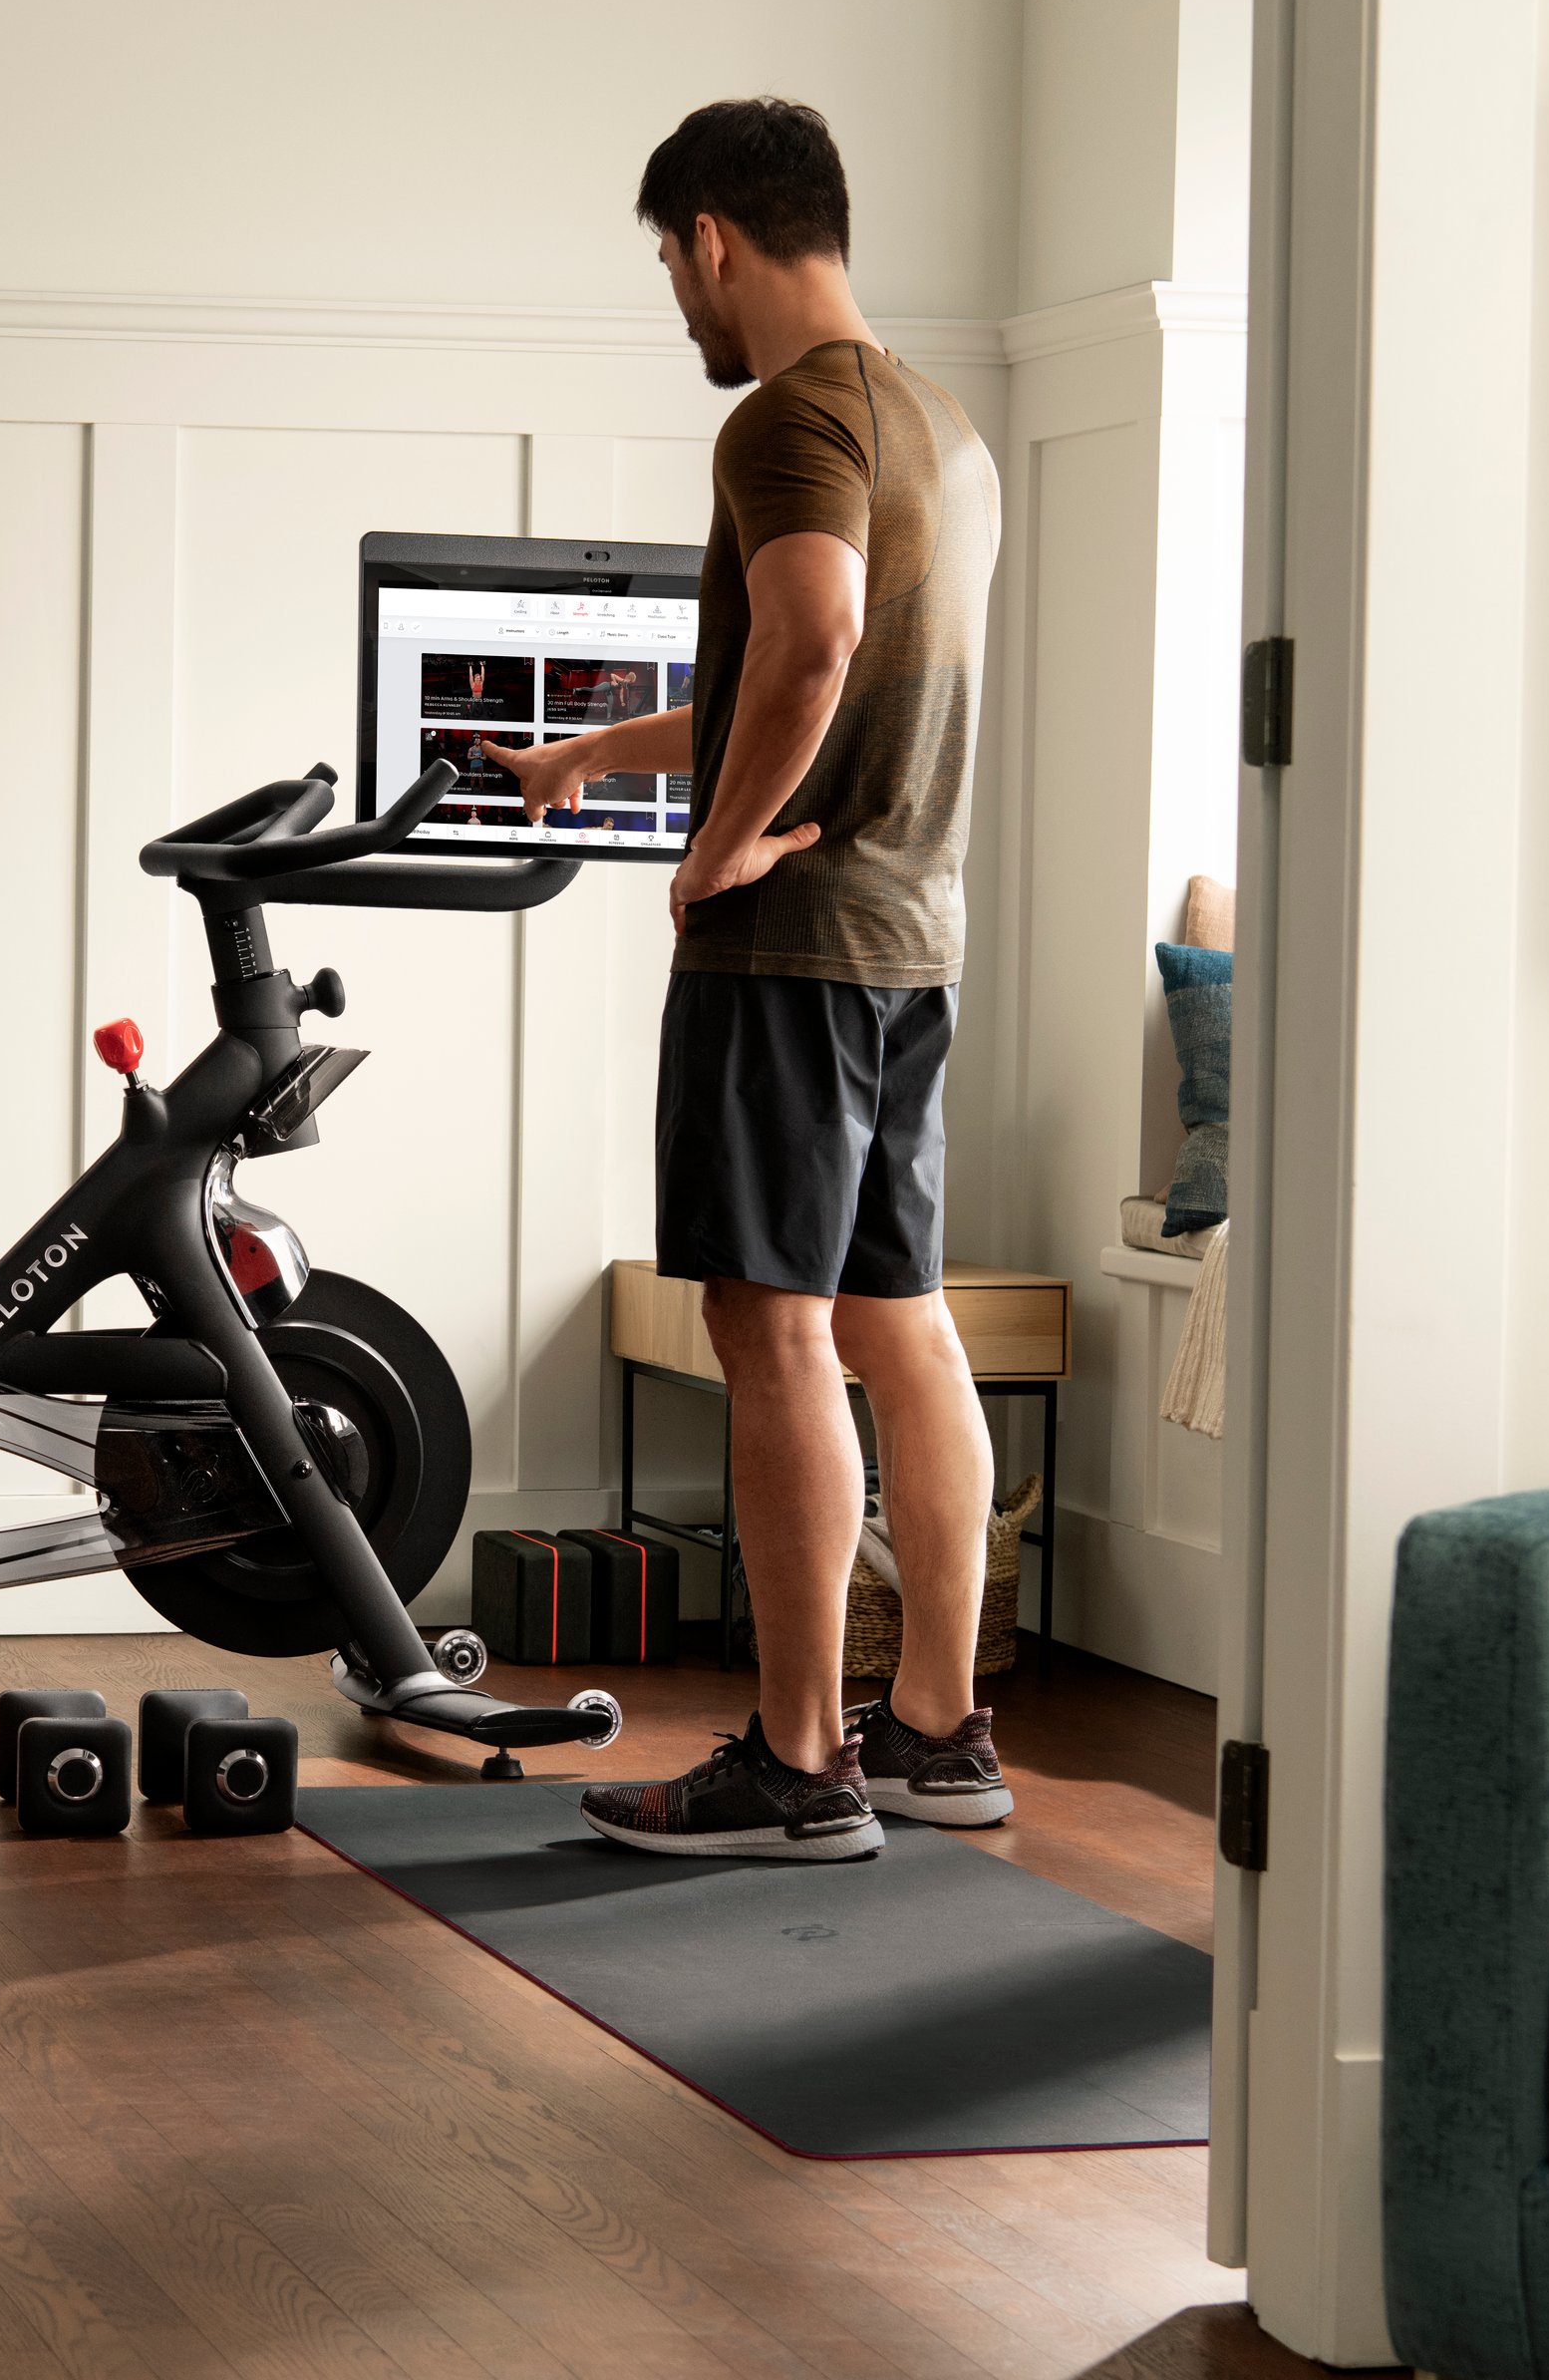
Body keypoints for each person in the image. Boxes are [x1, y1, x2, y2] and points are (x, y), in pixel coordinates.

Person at [489, 99, 1010, 1862]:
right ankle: (938, 1731)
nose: (677, 304)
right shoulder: (942, 427)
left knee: (768, 1329)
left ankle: (799, 1766)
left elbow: (815, 640)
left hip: (788, 954)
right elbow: (816, 669)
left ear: (712, 235)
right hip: (907, 943)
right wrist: (604, 753)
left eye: (668, 265)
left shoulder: (787, 420)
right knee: (896, 1324)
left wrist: (712, 855)